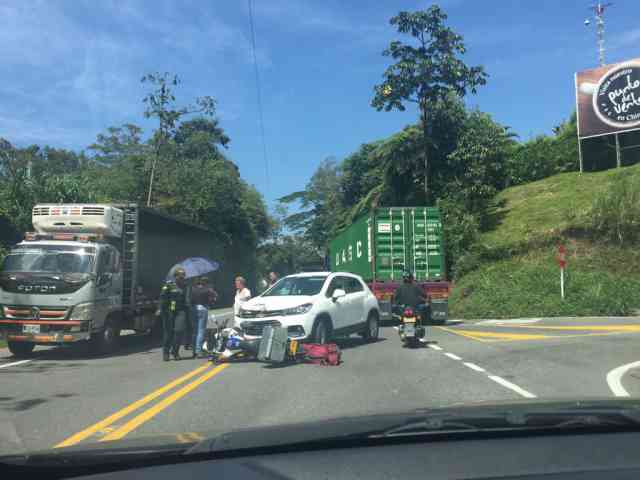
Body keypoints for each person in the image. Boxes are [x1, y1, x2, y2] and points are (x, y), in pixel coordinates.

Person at [159, 267, 191, 361]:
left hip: (180, 311)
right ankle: (166, 352)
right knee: (168, 333)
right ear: (175, 276)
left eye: (183, 276)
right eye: (180, 276)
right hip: (168, 311)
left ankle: (175, 351)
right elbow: (162, 298)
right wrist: (160, 309)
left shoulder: (186, 286)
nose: (182, 277)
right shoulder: (168, 285)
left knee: (179, 331)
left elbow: (187, 299)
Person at [190, 276, 218, 358]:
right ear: (206, 283)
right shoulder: (208, 290)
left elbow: (190, 300)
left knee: (195, 331)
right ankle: (199, 351)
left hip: (194, 309)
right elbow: (215, 297)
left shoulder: (193, 289)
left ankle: (194, 351)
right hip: (203, 308)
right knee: (201, 330)